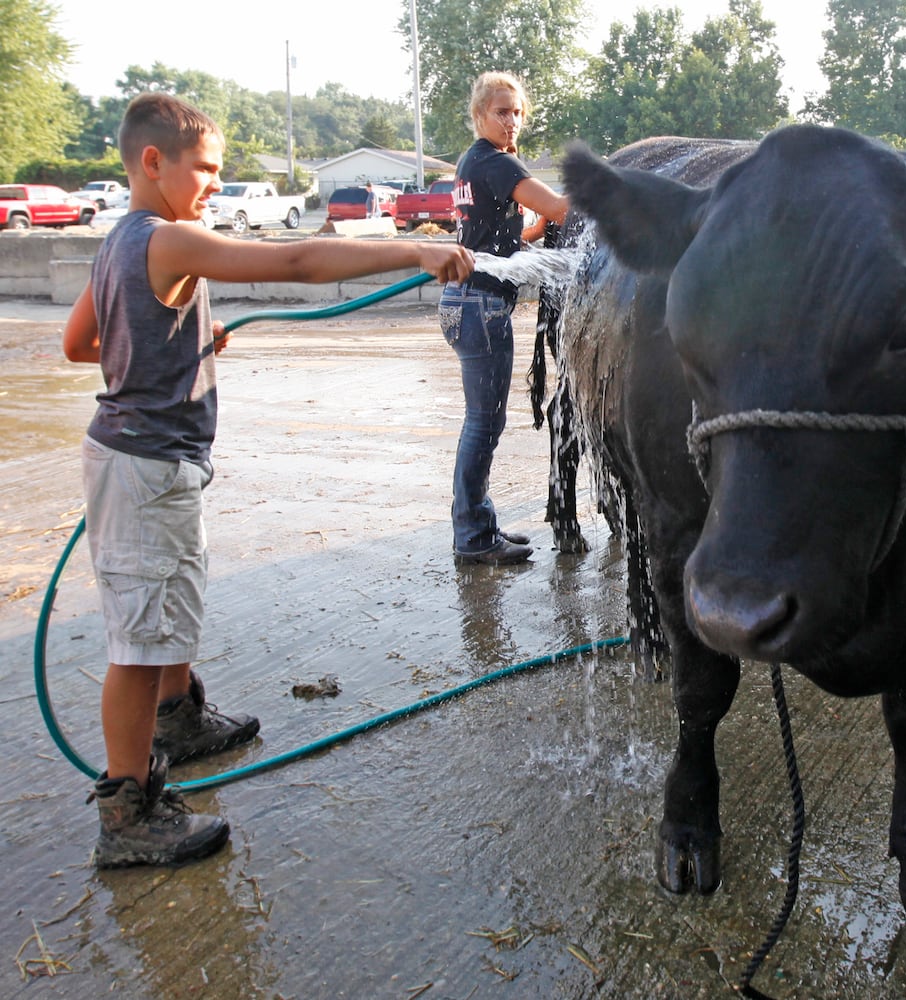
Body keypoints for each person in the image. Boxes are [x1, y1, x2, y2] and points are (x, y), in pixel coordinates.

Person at [63, 92, 474, 869]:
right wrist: (413, 251)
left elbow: (79, 342)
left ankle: (179, 722)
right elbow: (293, 260)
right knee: (139, 640)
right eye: (206, 169)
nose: (215, 183)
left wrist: (177, 341)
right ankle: (127, 813)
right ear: (153, 162)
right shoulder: (167, 239)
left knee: (168, 604)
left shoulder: (116, 242)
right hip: (145, 468)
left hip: (141, 460)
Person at [441, 71, 569, 565]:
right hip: (481, 307)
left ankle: (480, 525)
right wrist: (611, 189)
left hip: (464, 302)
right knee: (483, 425)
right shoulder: (495, 162)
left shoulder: (473, 162)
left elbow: (496, 238)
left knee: (482, 422)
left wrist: (531, 232)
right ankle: (473, 536)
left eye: (517, 112)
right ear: (479, 116)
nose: (512, 121)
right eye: (501, 112)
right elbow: (561, 207)